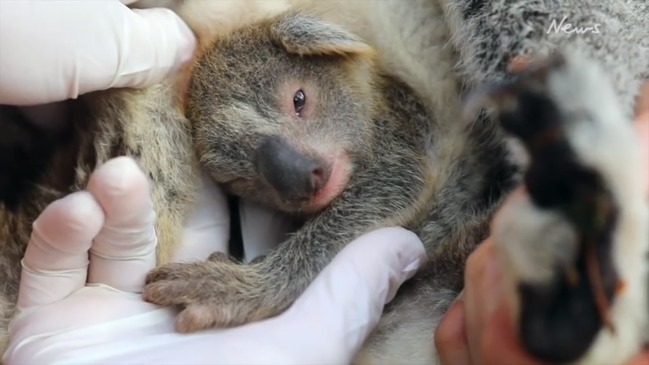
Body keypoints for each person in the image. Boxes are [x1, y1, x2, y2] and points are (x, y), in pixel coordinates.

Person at [1, 1, 648, 363]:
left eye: (301, 104)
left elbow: (402, 177)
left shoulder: (371, 99)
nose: (296, 172)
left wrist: (273, 278)